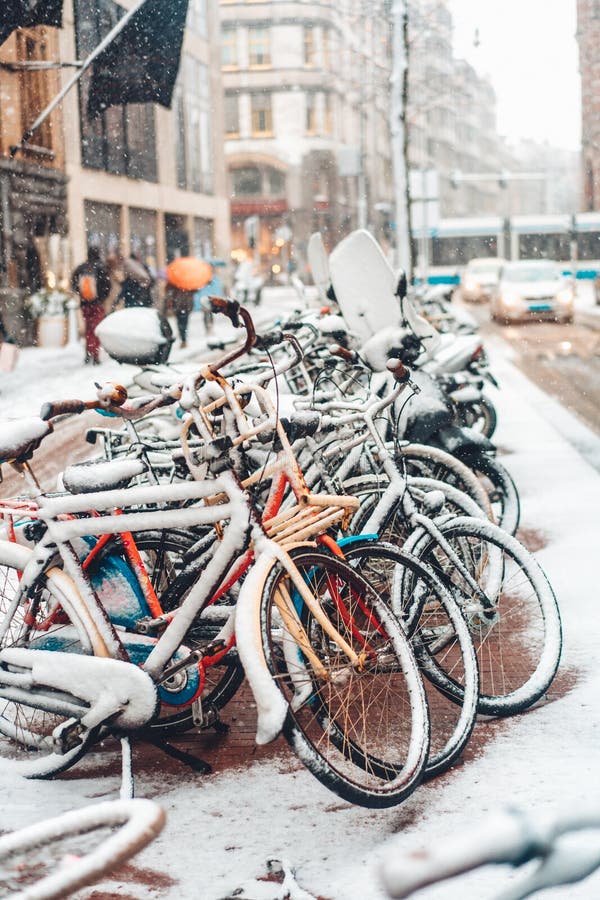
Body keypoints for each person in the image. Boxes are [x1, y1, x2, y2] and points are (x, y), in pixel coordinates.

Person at [71, 246, 111, 365]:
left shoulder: (81, 268)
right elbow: (107, 285)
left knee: (88, 328)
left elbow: (74, 284)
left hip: (85, 304)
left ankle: (88, 352)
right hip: (97, 304)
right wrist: (102, 298)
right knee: (96, 329)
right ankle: (95, 355)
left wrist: (82, 295)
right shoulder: (101, 267)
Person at [166, 284, 194, 348]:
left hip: (184, 306)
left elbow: (168, 292)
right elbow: (169, 292)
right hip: (180, 306)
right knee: (181, 323)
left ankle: (183, 339)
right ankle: (183, 339)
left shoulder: (188, 283)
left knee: (182, 324)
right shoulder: (174, 283)